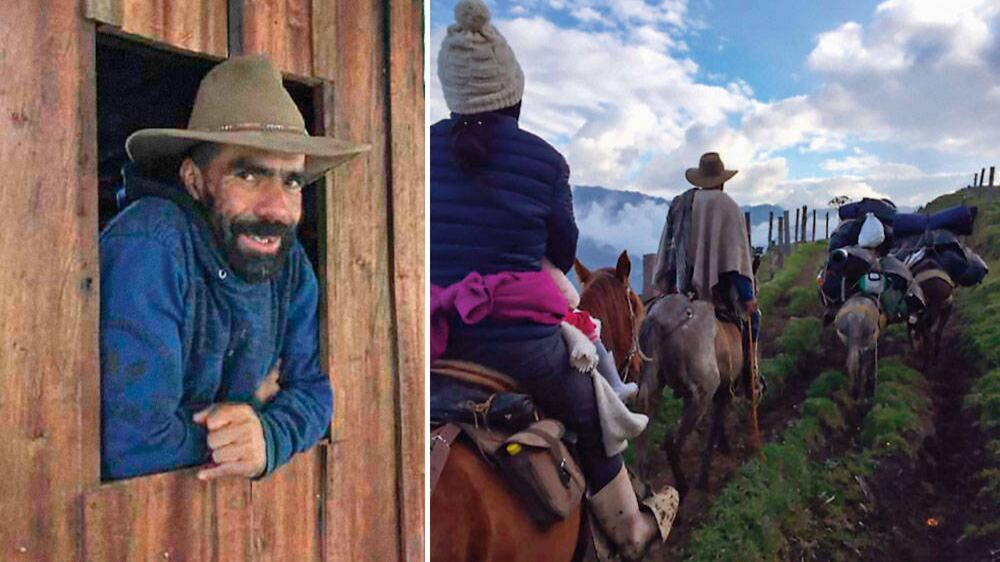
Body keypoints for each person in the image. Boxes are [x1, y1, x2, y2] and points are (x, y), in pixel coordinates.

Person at [430, 1, 675, 557]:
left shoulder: (421, 148)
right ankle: (629, 528)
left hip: (431, 334)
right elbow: (562, 252)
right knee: (591, 415)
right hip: (519, 346)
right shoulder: (544, 160)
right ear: (512, 93)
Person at [100, 55, 369, 481]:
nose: (277, 208)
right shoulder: (151, 247)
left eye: (291, 181)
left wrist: (267, 435)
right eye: (248, 175)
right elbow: (132, 445)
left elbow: (314, 393)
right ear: (193, 180)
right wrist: (252, 408)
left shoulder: (288, 263)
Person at [652, 152, 760, 392]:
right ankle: (750, 379)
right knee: (754, 318)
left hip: (681, 288)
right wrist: (747, 296)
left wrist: (666, 287)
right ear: (722, 180)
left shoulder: (681, 203)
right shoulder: (728, 207)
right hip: (718, 292)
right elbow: (736, 260)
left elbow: (670, 249)